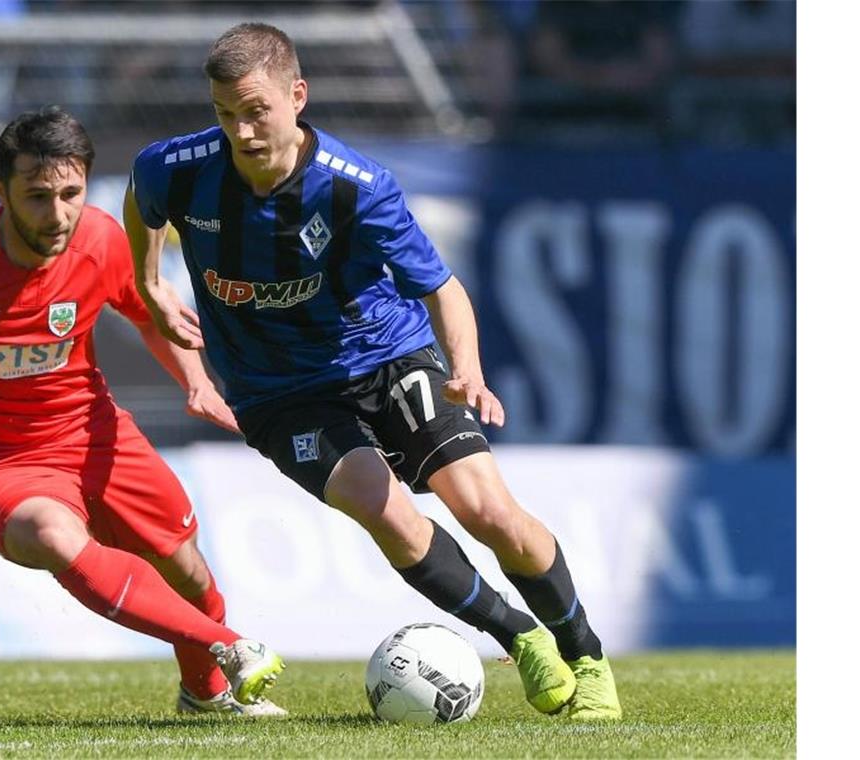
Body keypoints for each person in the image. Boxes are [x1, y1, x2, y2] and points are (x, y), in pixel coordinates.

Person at [124, 22, 621, 721]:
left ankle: (586, 654)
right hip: (278, 392)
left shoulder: (356, 188)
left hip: (385, 357)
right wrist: (149, 283)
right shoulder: (173, 167)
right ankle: (520, 636)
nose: (242, 129)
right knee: (381, 506)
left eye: (256, 109)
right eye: (225, 113)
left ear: (297, 96)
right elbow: (142, 204)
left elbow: (442, 289)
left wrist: (467, 370)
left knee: (488, 512)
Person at [0, 106, 285, 717]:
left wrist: (196, 380)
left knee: (187, 571)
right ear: (0, 190)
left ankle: (206, 693)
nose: (56, 215)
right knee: (52, 534)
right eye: (36, 196)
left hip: (95, 435)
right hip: (1, 462)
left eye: (70, 194)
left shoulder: (102, 239)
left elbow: (149, 314)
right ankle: (229, 647)